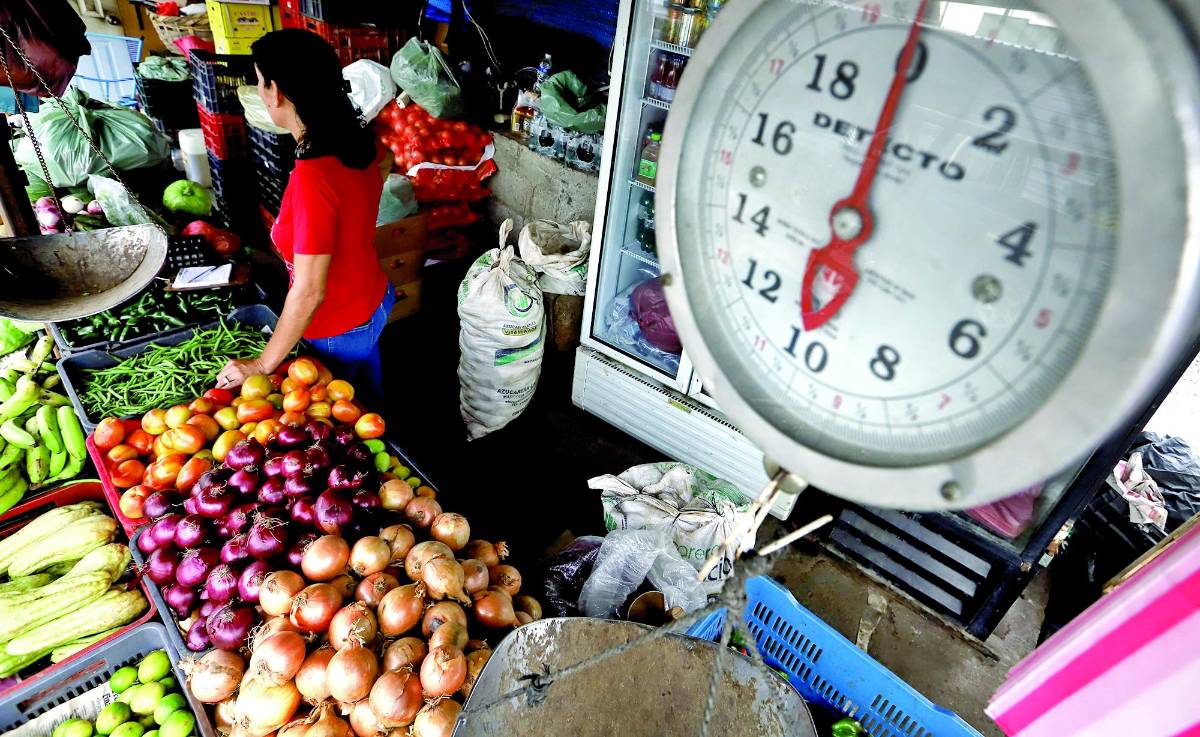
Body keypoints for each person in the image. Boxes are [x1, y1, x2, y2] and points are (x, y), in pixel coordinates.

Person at [216, 29, 394, 397]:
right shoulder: (356, 142)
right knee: (369, 400)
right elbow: (384, 165)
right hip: (373, 298)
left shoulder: (315, 177)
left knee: (350, 419)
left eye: (261, 82)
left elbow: (310, 291)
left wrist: (262, 364)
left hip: (337, 327)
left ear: (277, 92)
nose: (261, 93)